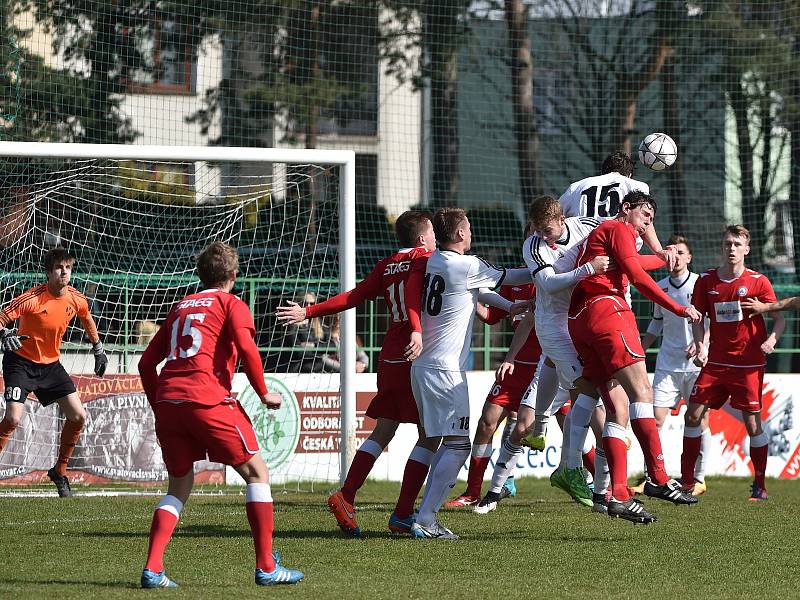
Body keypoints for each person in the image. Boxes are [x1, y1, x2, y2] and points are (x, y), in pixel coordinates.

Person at [137, 242, 303, 588]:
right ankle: (267, 567)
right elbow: (246, 348)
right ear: (233, 275)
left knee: (179, 486)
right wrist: (263, 392)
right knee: (257, 473)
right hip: (208, 398)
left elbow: (145, 363)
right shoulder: (231, 303)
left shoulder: (180, 306)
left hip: (169, 402)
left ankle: (153, 569)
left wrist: (161, 405)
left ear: (201, 274)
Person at [276, 210, 439, 537]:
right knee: (430, 435)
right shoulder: (427, 258)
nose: (436, 238)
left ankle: (346, 494)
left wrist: (309, 311)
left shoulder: (387, 263)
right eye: (433, 232)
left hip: (388, 355)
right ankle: (403, 513)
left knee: (383, 431)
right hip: (414, 352)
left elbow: (354, 296)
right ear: (422, 238)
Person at [568, 191, 700, 523]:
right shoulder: (617, 228)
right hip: (607, 308)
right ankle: (658, 477)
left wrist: (663, 255)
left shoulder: (613, 236)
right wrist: (679, 308)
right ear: (626, 209)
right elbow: (638, 277)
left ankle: (620, 495)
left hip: (581, 320)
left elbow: (637, 264)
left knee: (618, 408)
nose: (646, 223)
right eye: (644, 215)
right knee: (642, 392)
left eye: (651, 219)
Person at [405, 207, 532, 539]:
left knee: (438, 441)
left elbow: (472, 290)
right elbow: (514, 276)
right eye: (469, 228)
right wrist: (551, 264)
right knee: (459, 445)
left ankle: (418, 513)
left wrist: (507, 306)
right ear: (460, 234)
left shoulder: (435, 260)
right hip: (445, 370)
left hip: (424, 366)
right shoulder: (467, 264)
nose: (472, 233)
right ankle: (426, 518)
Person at [680, 225, 785, 501]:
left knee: (752, 424)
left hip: (748, 365)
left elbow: (779, 318)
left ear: (746, 249)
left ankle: (760, 486)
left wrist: (772, 340)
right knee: (692, 414)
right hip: (715, 362)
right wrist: (701, 345)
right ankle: (687, 482)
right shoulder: (707, 281)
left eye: (737, 244)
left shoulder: (758, 281)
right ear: (722, 247)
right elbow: (699, 319)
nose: (731, 249)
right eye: (728, 244)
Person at [0, 247, 108, 497]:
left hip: (51, 366)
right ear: (48, 272)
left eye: (68, 267)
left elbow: (87, 318)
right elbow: (2, 317)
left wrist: (98, 349)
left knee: (78, 416)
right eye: (59, 267)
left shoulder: (76, 298)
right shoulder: (31, 298)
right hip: (20, 363)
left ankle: (59, 471)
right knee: (14, 418)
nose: (64, 272)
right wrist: (4, 334)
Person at [446, 278, 539, 511]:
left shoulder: (553, 279)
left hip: (546, 370)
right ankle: (473, 491)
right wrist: (469, 295)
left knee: (572, 423)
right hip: (515, 367)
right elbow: (490, 316)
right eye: (530, 238)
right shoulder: (513, 285)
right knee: (487, 422)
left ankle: (605, 487)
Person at [640, 235, 710, 495]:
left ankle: (699, 478)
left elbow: (711, 320)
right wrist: (641, 349)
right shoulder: (659, 287)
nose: (676, 257)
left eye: (681, 252)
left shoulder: (700, 284)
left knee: (699, 420)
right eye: (671, 252)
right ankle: (653, 476)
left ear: (689, 257)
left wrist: (702, 344)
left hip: (696, 363)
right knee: (654, 419)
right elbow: (656, 322)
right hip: (668, 364)